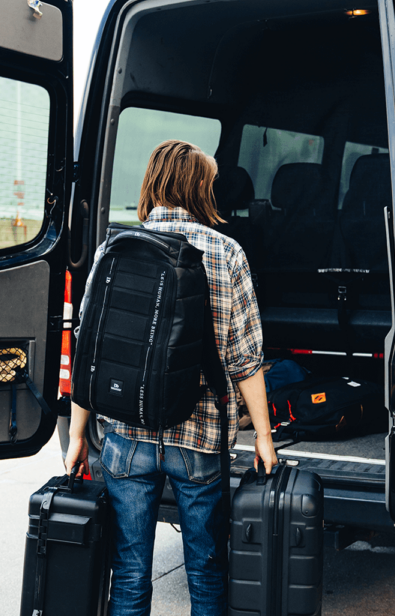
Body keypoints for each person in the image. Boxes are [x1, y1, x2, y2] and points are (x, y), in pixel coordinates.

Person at [65, 139, 278, 616]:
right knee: (205, 568)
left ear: (153, 183)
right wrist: (263, 436)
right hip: (199, 439)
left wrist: (78, 434)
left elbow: (91, 351)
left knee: (131, 569)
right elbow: (246, 360)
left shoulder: (113, 249)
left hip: (125, 435)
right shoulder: (227, 254)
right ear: (202, 188)